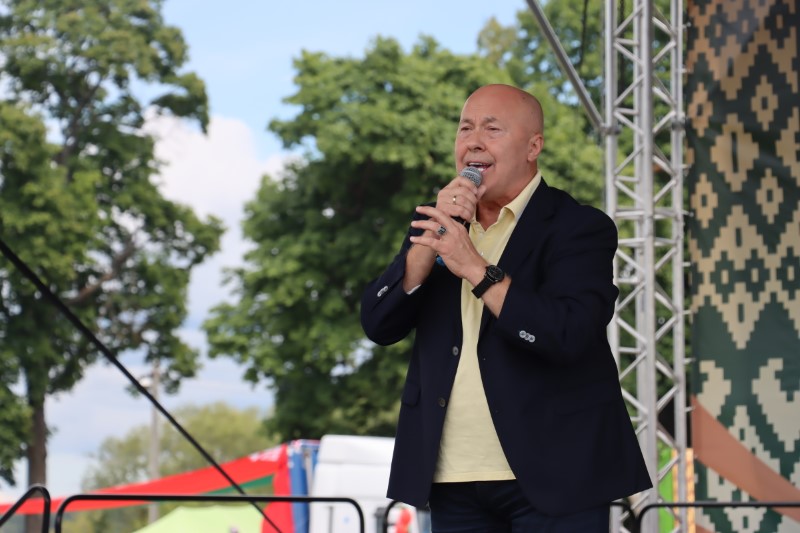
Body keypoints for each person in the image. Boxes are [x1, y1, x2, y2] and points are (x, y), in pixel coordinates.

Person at [360, 84, 652, 532]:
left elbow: (567, 334)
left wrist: (475, 268)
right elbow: (378, 325)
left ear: (533, 147)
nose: (474, 141)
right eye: (465, 129)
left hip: (557, 470)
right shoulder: (438, 226)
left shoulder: (579, 226)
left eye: (492, 129)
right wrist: (422, 252)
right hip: (452, 476)